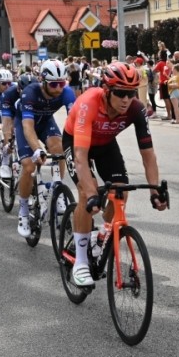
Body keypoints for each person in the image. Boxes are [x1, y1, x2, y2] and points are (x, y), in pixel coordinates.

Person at [62, 62, 167, 286]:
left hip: (105, 145)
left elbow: (148, 155)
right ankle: (80, 262)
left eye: (131, 93)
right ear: (106, 90)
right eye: (120, 93)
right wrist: (92, 194)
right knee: (85, 193)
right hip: (77, 143)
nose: (126, 99)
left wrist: (155, 191)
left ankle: (102, 235)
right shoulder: (89, 103)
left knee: (121, 192)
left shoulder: (136, 109)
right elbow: (80, 157)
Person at [13, 60, 76, 237]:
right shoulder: (30, 92)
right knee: (29, 166)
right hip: (26, 124)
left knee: (60, 149)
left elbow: (76, 122)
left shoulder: (67, 92)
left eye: (62, 83)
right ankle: (23, 211)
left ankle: (58, 188)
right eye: (54, 84)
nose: (58, 88)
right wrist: (37, 149)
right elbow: (28, 127)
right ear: (43, 81)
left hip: (46, 122)